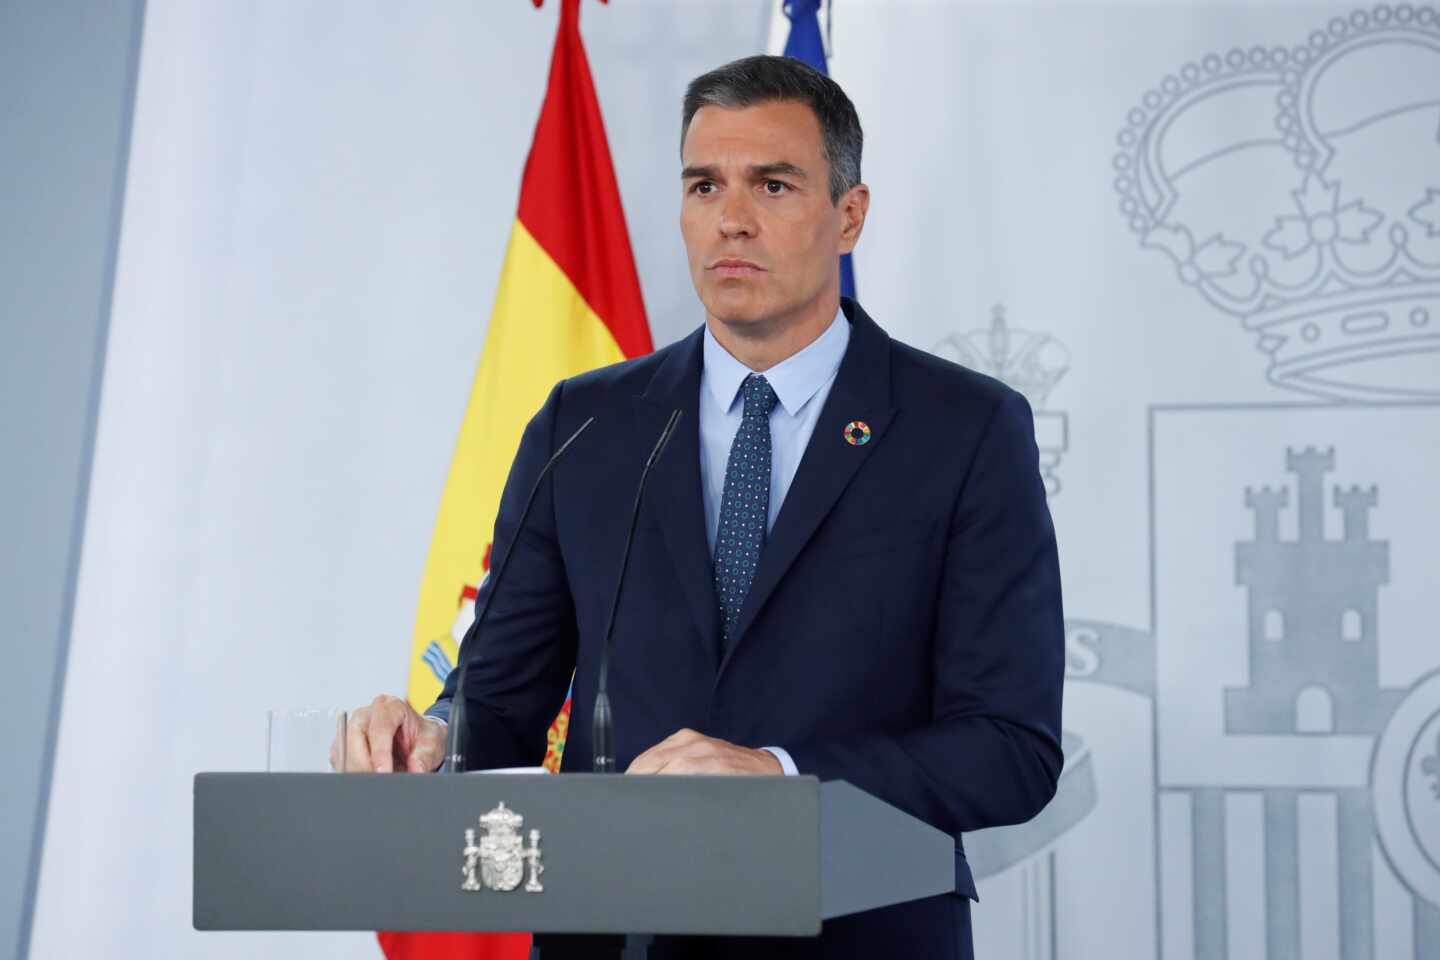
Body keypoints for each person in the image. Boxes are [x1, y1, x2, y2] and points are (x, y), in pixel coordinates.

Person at [344, 54, 1064, 959]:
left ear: (850, 215)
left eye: (772, 183)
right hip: (620, 932)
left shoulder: (965, 429)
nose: (731, 218)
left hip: (859, 933)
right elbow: (502, 696)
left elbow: (1010, 751)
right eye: (703, 185)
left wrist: (781, 775)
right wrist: (432, 739)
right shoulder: (584, 423)